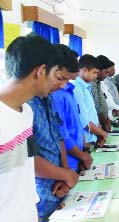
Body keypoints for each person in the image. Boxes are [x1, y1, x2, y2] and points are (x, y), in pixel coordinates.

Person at [0, 34, 61, 222]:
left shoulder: (26, 112)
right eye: (55, 75)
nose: (56, 83)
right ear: (41, 71)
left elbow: (27, 166)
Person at [27, 44, 80, 220]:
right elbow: (29, 161)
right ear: (43, 71)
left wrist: (66, 177)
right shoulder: (25, 105)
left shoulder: (47, 98)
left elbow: (58, 137)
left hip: (58, 188)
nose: (62, 85)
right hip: (38, 194)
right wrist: (67, 175)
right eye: (59, 78)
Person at [51, 45, 93, 173]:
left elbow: (77, 124)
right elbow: (63, 135)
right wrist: (82, 156)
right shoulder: (56, 94)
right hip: (69, 163)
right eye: (61, 78)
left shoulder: (70, 89)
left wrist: (84, 150)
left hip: (78, 159)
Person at [73, 54, 108, 147]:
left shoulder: (86, 87)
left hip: (93, 137)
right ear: (85, 70)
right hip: (86, 141)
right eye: (94, 72)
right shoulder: (77, 89)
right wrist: (102, 133)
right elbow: (84, 122)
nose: (96, 76)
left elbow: (92, 113)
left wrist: (99, 130)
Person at [91, 55, 112, 132]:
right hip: (98, 126)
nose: (106, 75)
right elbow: (97, 107)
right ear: (98, 69)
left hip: (102, 123)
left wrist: (107, 118)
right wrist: (104, 123)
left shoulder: (98, 82)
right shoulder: (92, 84)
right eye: (105, 72)